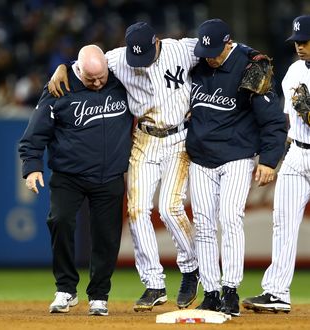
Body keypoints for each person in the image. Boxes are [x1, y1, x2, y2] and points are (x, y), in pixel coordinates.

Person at [48, 21, 200, 311]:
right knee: (137, 210)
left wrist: (250, 57)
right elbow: (87, 64)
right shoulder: (117, 58)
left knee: (169, 208)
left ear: (157, 42)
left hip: (179, 138)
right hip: (144, 138)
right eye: (134, 55)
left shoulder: (183, 49)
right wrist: (64, 67)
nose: (138, 62)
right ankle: (153, 283)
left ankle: (191, 268)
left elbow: (216, 48)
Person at [18, 45, 134, 316]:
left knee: (106, 236)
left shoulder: (121, 78)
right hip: (68, 175)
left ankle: (99, 295)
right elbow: (35, 133)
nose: (96, 83)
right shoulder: (60, 86)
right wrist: (32, 167)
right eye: (89, 78)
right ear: (78, 70)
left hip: (110, 176)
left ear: (107, 66)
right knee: (59, 221)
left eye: (101, 77)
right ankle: (66, 289)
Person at [185, 19, 287, 316]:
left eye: (216, 50)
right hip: (200, 157)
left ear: (228, 43)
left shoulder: (251, 66)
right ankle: (211, 292)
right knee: (203, 224)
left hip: (237, 156)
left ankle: (230, 289)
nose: (210, 56)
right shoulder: (198, 60)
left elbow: (273, 121)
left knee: (229, 218)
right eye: (206, 51)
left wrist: (269, 160)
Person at [242, 15, 310, 314]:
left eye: (305, 41)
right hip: (296, 153)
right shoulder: (294, 70)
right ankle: (277, 293)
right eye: (296, 41)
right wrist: (276, 157)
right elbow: (290, 119)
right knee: (283, 223)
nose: (299, 47)